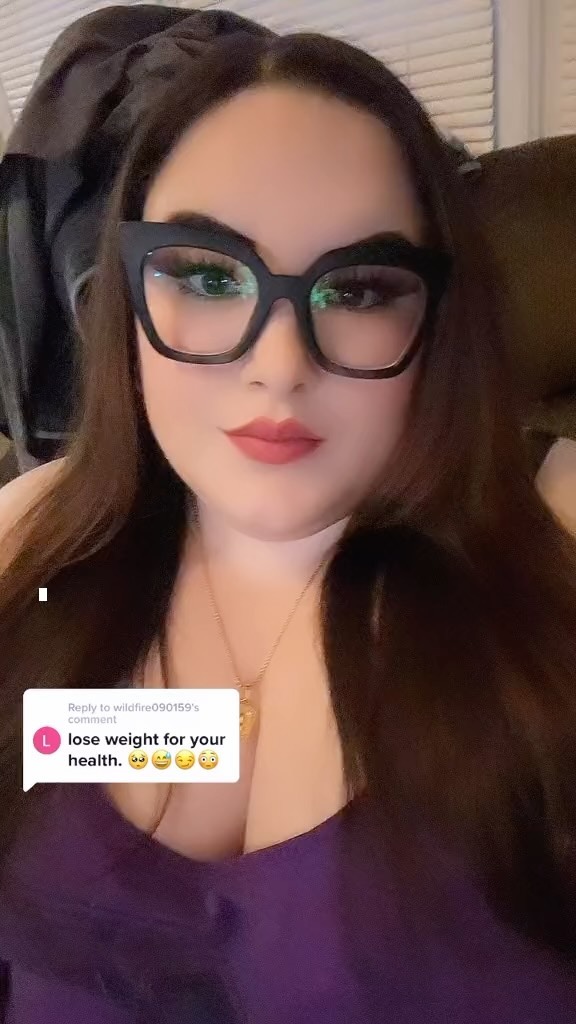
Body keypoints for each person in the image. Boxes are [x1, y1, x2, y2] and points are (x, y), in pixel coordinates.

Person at [0, 28, 576, 1024]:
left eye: (356, 289)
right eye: (207, 274)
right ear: (123, 293)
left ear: (440, 318)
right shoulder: (37, 540)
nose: (278, 365)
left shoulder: (554, 533)